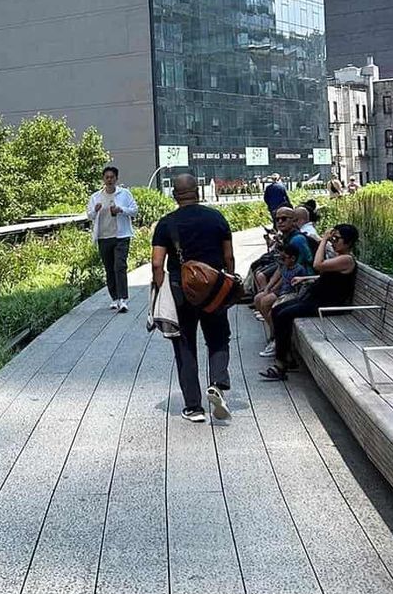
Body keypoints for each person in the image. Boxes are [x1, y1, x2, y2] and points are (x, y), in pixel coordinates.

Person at [152, 174, 235, 423]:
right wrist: (228, 281)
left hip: (181, 291)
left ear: (175, 195)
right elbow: (228, 257)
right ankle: (218, 383)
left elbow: (157, 263)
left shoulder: (167, 224)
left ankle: (194, 408)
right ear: (197, 191)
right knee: (219, 338)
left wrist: (162, 288)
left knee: (185, 345)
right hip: (214, 288)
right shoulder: (216, 217)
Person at [259, 224, 360, 381]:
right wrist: (306, 278)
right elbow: (330, 278)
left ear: (348, 242)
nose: (333, 242)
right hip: (317, 300)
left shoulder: (346, 259)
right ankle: (286, 358)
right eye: (332, 238)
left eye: (336, 239)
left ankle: (280, 365)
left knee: (284, 314)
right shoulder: (339, 258)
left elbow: (317, 265)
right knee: (278, 310)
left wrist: (324, 239)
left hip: (327, 304)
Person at [87, 166, 138, 313]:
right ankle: (114, 298)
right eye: (107, 177)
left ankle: (123, 299)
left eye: (112, 177)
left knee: (119, 266)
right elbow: (89, 216)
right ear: (103, 179)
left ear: (116, 179)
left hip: (121, 236)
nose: (109, 180)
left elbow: (134, 211)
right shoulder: (96, 197)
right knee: (109, 268)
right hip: (104, 237)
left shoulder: (124, 194)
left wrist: (121, 209)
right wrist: (95, 210)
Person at [253, 242, 306, 351]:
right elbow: (282, 278)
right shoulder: (285, 266)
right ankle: (274, 333)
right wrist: (269, 289)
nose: (281, 260)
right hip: (282, 291)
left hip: (291, 294)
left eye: (284, 258)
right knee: (259, 299)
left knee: (273, 310)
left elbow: (296, 287)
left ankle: (276, 337)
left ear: (292, 258)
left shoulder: (299, 269)